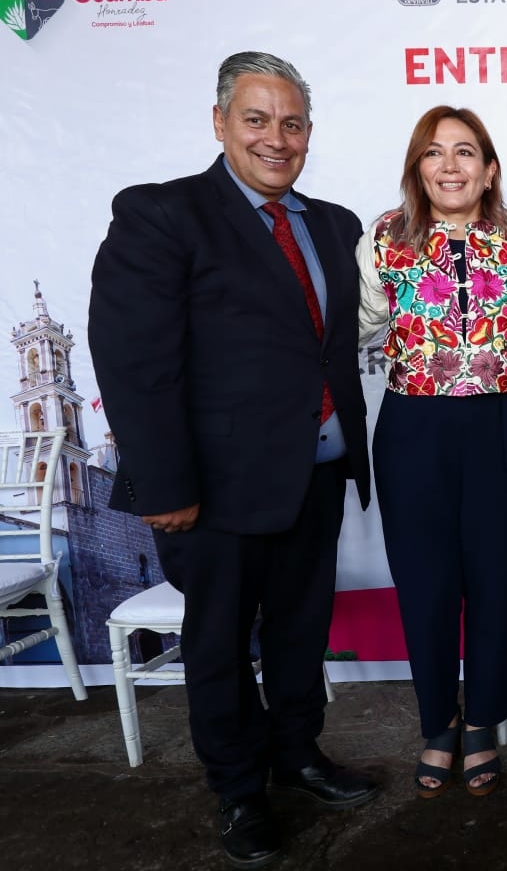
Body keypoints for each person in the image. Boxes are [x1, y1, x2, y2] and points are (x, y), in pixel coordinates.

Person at [88, 51, 378, 868]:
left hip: (314, 477)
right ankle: (240, 790)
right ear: (220, 122)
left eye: (292, 123)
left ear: (310, 133)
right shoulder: (162, 214)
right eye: (257, 119)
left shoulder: (335, 225)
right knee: (218, 645)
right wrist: (164, 485)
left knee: (300, 632)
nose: (275, 138)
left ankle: (298, 755)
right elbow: (134, 362)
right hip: (210, 492)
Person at [357, 106, 507, 799]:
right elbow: (351, 328)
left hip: (502, 425)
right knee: (425, 587)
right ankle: (439, 724)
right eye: (434, 153)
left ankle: (484, 721)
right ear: (418, 169)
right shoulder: (384, 239)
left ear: (489, 170)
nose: (451, 165)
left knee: (494, 584)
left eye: (466, 152)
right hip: (414, 429)